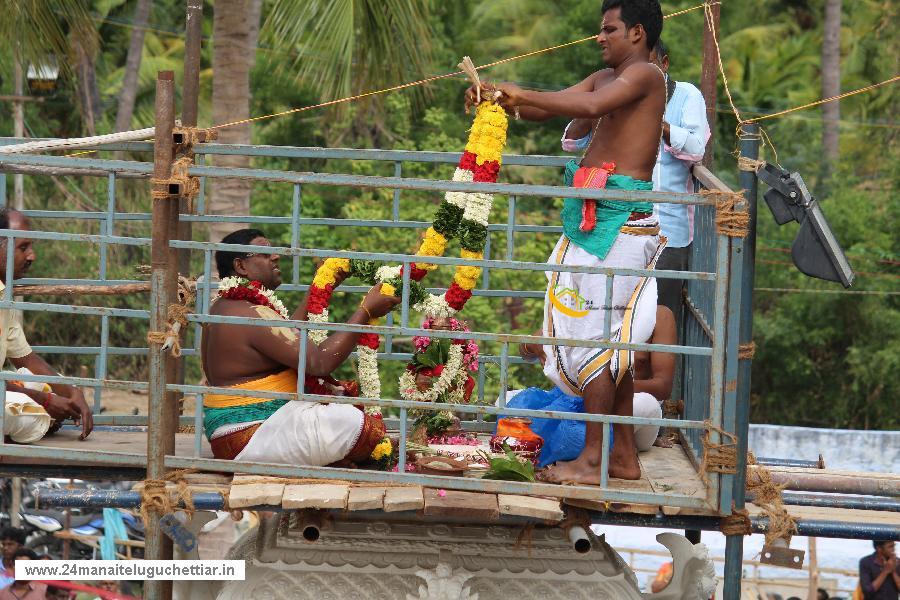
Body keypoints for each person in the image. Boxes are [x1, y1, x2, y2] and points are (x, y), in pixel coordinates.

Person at [467, 0, 666, 483]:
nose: (600, 37)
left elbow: (591, 108)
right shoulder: (605, 77)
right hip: (591, 221)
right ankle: (621, 457)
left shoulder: (646, 76)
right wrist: (501, 98)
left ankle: (594, 458)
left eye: (609, 29)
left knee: (598, 342)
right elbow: (547, 106)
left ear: (637, 33)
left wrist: (521, 90)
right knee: (604, 343)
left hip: (621, 224)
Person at [201, 229, 400, 466]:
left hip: (242, 433)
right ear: (241, 266)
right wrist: (365, 311)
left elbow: (289, 335)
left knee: (338, 406)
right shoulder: (249, 313)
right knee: (350, 422)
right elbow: (319, 362)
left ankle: (332, 457)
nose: (276, 257)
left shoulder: (230, 306)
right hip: (250, 436)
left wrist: (322, 285)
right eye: (266, 252)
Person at [562, 38, 710, 324]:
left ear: (664, 65)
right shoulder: (615, 92)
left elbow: (695, 149)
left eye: (647, 65)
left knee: (659, 318)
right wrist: (593, 106)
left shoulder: (687, 95)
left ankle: (654, 369)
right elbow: (570, 141)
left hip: (668, 231)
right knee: (612, 316)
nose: (638, 74)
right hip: (616, 229)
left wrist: (653, 120)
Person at [513, 305, 675, 467]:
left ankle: (574, 442)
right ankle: (572, 441)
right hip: (576, 403)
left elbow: (663, 386)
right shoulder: (588, 304)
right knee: (508, 399)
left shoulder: (658, 314)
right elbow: (528, 349)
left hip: (626, 410)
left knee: (648, 404)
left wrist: (601, 389)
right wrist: (531, 344)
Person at [0, 208, 93, 442]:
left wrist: (72, 391)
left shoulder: (3, 296)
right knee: (30, 414)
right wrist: (45, 401)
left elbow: (27, 360)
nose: (32, 256)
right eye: (23, 248)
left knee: (38, 384)